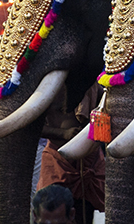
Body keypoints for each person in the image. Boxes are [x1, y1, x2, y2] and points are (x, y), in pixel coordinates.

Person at [35, 84, 104, 224]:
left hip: (89, 158)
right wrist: (63, 133)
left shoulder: (95, 88)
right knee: (50, 207)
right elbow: (33, 127)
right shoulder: (48, 88)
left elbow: (105, 114)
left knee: (84, 212)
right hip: (57, 159)